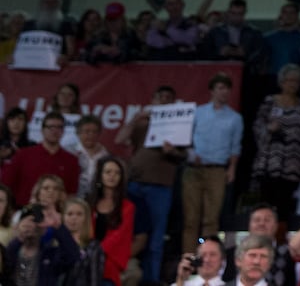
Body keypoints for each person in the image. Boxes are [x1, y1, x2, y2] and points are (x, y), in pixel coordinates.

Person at [117, 83, 184, 284]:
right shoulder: (142, 123)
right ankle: (122, 274)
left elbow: (186, 156)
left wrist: (172, 151)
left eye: (168, 97)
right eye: (160, 97)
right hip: (134, 184)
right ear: (153, 100)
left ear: (174, 103)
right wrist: (135, 119)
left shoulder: (179, 125)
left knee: (155, 239)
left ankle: (151, 281)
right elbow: (120, 139)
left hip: (160, 187)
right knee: (128, 233)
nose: (164, 100)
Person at [252, 64, 300, 222]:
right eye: (289, 80)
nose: (293, 84)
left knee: (285, 210)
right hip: (270, 163)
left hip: (293, 164)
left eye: (297, 81)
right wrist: (269, 129)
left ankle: (282, 244)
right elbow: (257, 127)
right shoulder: (270, 102)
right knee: (265, 208)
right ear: (281, 82)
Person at [183, 72, 242, 248]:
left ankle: (207, 255)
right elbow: (186, 138)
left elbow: (235, 146)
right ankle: (189, 257)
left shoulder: (235, 118)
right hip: (194, 169)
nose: (224, 92)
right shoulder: (198, 112)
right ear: (212, 90)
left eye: (227, 89)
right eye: (221, 88)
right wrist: (191, 153)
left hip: (217, 170)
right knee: (191, 219)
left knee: (211, 219)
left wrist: (232, 168)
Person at [3, 111, 80, 202]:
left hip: (56, 213)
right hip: (23, 210)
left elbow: (71, 194)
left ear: (63, 131)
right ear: (42, 130)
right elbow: (6, 185)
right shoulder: (23, 155)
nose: (54, 131)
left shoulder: (71, 161)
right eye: (50, 127)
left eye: (59, 127)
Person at [7, 203, 81, 286]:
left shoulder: (50, 254)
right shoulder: (11, 251)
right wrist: (19, 239)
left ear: (44, 230)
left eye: (36, 222)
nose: (31, 225)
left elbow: (73, 256)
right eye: (27, 221)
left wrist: (58, 226)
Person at [85, 156, 132, 286]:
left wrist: (96, 252)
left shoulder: (127, 207)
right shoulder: (89, 203)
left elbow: (119, 236)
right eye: (108, 172)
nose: (112, 176)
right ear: (100, 175)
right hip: (86, 256)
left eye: (117, 173)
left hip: (109, 259)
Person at [226, 204, 296, 286]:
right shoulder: (231, 253)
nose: (261, 223)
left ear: (276, 225)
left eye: (267, 220)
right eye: (257, 220)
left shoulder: (288, 254)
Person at [204, 0, 268, 74]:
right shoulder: (216, 31)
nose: (236, 17)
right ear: (228, 12)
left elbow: (260, 53)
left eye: (240, 14)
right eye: (233, 13)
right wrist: (219, 53)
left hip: (245, 72)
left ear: (245, 13)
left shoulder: (254, 33)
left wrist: (245, 55)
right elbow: (206, 52)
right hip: (220, 71)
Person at [68, 118, 110, 199]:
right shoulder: (69, 152)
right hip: (73, 198)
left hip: (97, 198)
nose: (91, 135)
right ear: (78, 133)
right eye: (87, 131)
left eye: (95, 132)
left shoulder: (106, 155)